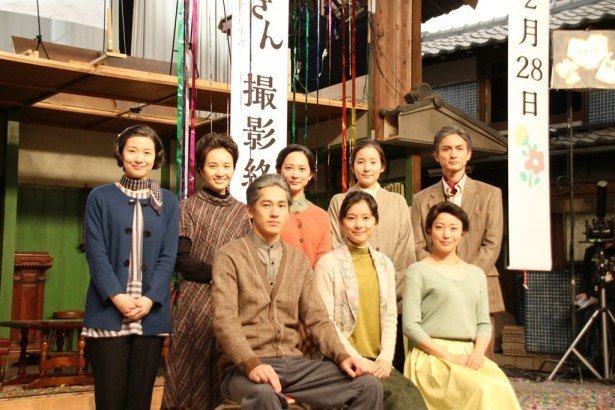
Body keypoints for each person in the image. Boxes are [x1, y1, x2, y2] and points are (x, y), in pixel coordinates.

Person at [212, 174, 383, 410]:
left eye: (282, 206)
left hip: (295, 365)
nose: (275, 213)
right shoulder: (229, 256)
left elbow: (317, 318)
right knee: (264, 394)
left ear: (288, 212)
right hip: (244, 367)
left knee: (368, 385)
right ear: (250, 211)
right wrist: (251, 364)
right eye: (266, 205)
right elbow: (224, 320)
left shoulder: (298, 260)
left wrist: (342, 356)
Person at [83, 125, 179, 410]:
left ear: (156, 157)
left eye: (147, 152)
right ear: (121, 153)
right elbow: (96, 252)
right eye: (132, 150)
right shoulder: (99, 197)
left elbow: (168, 255)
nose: (139, 158)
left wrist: (150, 298)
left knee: (140, 399)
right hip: (109, 310)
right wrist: (116, 295)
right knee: (109, 399)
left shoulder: (168, 201)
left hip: (150, 312)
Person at [163, 133, 252, 409]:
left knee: (224, 367)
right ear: (201, 170)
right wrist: (222, 273)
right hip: (194, 301)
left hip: (231, 302)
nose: (220, 172)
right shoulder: (188, 207)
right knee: (187, 369)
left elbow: (247, 261)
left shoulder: (242, 213)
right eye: (213, 166)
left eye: (226, 166)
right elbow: (182, 259)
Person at [315, 191, 427, 410]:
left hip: (378, 361)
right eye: (351, 218)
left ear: (376, 222)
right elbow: (326, 322)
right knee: (398, 400)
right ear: (341, 222)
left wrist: (385, 358)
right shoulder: (328, 264)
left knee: (410, 393)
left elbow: (390, 316)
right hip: (342, 360)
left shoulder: (384, 264)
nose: (359, 225)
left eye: (366, 218)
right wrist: (358, 359)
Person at [403, 202, 520, 410]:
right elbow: (410, 326)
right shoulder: (417, 271)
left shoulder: (476, 274)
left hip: (470, 353)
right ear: (429, 230)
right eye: (439, 227)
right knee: (483, 388)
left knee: (500, 386)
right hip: (431, 355)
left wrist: (478, 353)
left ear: (463, 233)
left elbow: (483, 323)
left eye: (453, 228)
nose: (446, 234)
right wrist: (449, 356)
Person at [411, 125, 505, 355]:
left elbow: (492, 243)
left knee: (480, 360)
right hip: (435, 288)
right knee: (440, 359)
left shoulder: (490, 193)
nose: (453, 154)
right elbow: (417, 245)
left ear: (468, 153)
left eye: (459, 148)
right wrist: (442, 277)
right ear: (436, 156)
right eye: (446, 149)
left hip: (481, 282)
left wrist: (466, 277)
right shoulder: (421, 199)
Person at [328, 139, 415, 371]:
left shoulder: (397, 202)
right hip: (349, 299)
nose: (367, 168)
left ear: (382, 166)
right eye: (360, 162)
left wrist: (388, 291)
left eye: (373, 162)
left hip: (389, 298)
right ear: (352, 166)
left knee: (390, 368)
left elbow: (405, 252)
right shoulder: (338, 201)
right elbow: (333, 244)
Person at [277, 144, 332, 267]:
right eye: (289, 168)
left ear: (310, 174)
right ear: (279, 171)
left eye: (302, 169)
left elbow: (324, 261)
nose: (295, 175)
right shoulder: (271, 213)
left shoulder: (322, 216)